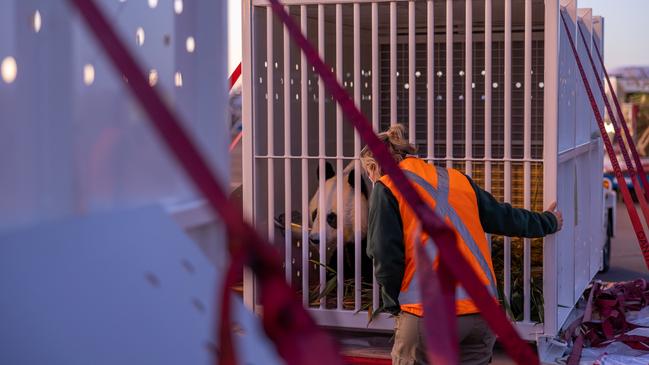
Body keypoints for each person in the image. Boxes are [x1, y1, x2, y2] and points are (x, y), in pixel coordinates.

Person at [360, 124, 563, 365]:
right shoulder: (456, 179)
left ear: (375, 166)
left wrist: (395, 307)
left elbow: (385, 258)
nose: (372, 180)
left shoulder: (386, 187)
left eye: (369, 174)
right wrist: (548, 221)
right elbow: (505, 218)